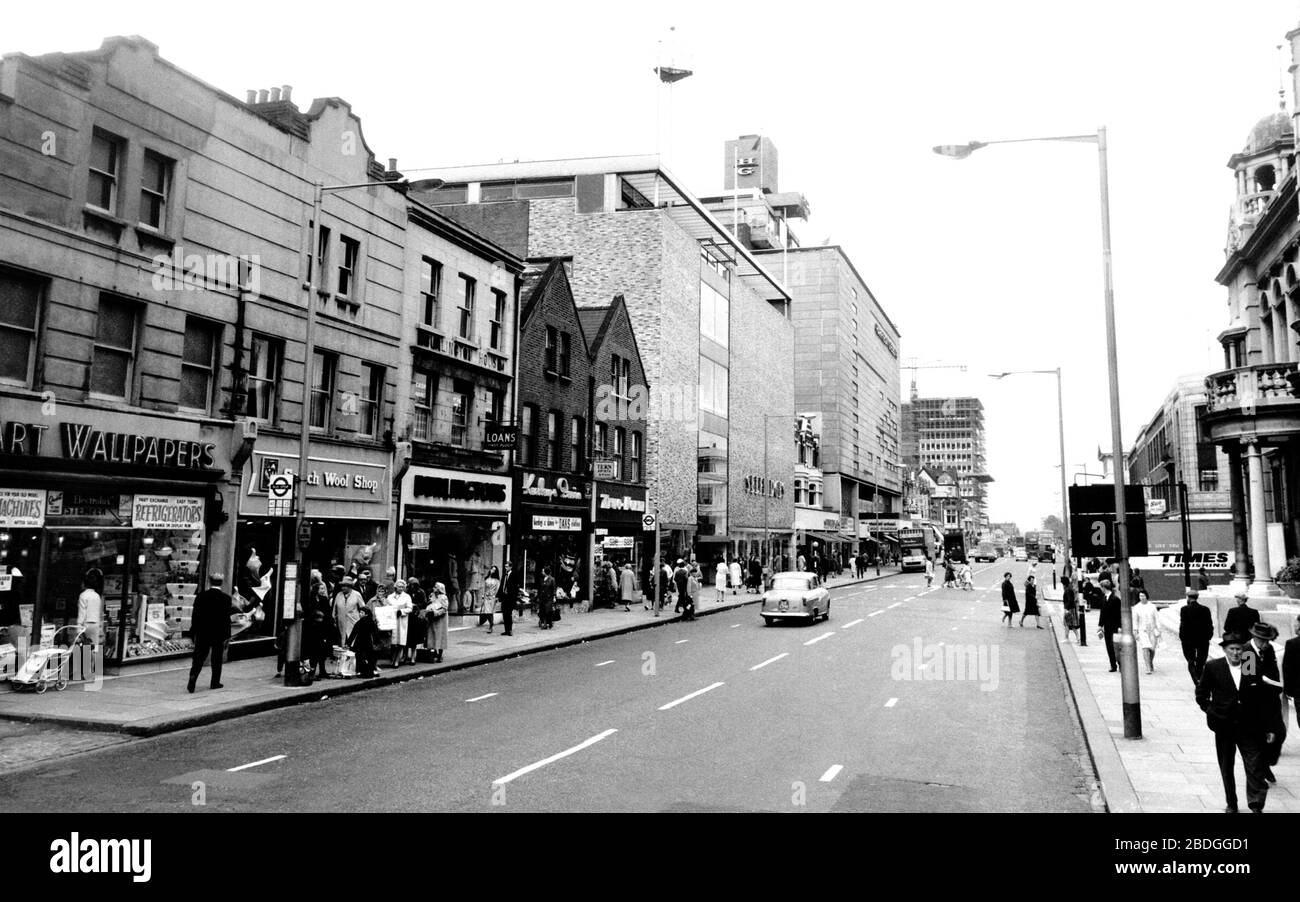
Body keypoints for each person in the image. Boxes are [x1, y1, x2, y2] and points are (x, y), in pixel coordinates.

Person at [1196, 631, 1282, 813]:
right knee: (1226, 766)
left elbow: (1261, 697)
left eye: (1239, 649)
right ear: (1225, 650)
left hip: (1249, 725)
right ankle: (1231, 803)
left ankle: (1256, 803)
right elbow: (1201, 694)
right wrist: (1212, 711)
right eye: (1232, 649)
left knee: (1254, 764)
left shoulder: (1249, 665)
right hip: (1224, 724)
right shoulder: (1214, 666)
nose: (1236, 653)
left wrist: (1269, 726)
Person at [1245, 622, 1284, 783]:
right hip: (1254, 702)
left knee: (1279, 732)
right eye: (1263, 640)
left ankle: (1268, 762)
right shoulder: (1247, 651)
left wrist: (1274, 686)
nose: (1265, 643)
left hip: (1270, 699)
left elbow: (1274, 672)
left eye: (1268, 640)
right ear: (1255, 637)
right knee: (1259, 737)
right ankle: (1262, 767)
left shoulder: (1268, 650)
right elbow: (1249, 679)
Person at [188, 572, 232, 693]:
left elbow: (195, 616)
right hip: (218, 633)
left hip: (203, 632)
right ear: (221, 583)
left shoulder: (201, 596)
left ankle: (193, 676)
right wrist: (228, 636)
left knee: (199, 657)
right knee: (217, 659)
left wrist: (193, 631)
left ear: (209, 582)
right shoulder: (226, 599)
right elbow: (226, 619)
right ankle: (215, 682)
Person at [1180, 587, 1214, 685]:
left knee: (1191, 661)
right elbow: (1209, 625)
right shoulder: (1205, 609)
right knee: (1201, 661)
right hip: (1203, 639)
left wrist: (1182, 638)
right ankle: (1200, 678)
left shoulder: (1185, 609)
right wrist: (1209, 637)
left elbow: (1183, 625)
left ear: (1188, 598)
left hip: (1188, 640)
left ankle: (1196, 681)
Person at [332, 577, 364, 657]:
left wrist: (361, 618)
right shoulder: (338, 595)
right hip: (341, 622)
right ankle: (344, 662)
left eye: (346, 586)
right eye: (342, 586)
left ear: (350, 587)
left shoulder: (357, 594)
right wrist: (334, 619)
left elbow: (363, 608)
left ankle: (353, 661)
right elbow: (334, 609)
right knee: (343, 642)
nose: (343, 588)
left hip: (353, 622)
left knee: (353, 641)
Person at [348, 605, 380, 678]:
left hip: (362, 642)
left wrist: (349, 643)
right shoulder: (366, 622)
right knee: (367, 657)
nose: (360, 614)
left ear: (366, 614)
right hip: (364, 642)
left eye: (362, 613)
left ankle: (360, 671)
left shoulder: (361, 622)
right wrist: (376, 641)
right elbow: (375, 633)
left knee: (362, 656)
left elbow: (353, 633)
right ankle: (370, 670)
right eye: (360, 612)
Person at [388, 580, 414, 666]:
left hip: (402, 621)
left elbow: (410, 608)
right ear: (395, 587)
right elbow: (387, 607)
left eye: (402, 587)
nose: (401, 588)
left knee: (400, 641)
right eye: (399, 587)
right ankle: (392, 658)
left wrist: (402, 611)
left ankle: (397, 660)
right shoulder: (390, 597)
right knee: (393, 641)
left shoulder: (407, 597)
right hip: (392, 620)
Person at [1133, 590, 1160, 674]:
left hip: (1152, 630)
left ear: (1146, 596)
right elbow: (1135, 620)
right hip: (1142, 630)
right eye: (1140, 596)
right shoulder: (1137, 607)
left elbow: (1157, 618)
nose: (1142, 598)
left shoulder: (1152, 606)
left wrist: (1159, 629)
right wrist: (1135, 631)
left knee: (1152, 649)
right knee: (1145, 648)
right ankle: (1148, 667)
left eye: (1143, 596)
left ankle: (1150, 661)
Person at [1098, 580, 1122, 672]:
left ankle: (1120, 664)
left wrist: (1120, 627)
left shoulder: (1115, 599)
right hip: (1107, 627)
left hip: (1115, 627)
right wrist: (1100, 625)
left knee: (1115, 647)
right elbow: (1102, 613)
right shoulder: (1104, 598)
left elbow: (1119, 615)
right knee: (1109, 646)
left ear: (1104, 588)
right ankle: (1113, 665)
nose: (1101, 589)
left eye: (1101, 587)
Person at [77, 568, 104, 646]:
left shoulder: (83, 595)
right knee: (95, 648)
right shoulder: (97, 596)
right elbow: (99, 613)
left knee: (85, 649)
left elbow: (82, 613)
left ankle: (86, 658)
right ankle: (96, 658)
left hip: (86, 624)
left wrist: (79, 629)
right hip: (96, 624)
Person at [424, 582, 450, 662]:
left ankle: (440, 655)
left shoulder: (443, 597)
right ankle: (433, 653)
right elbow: (429, 604)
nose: (433, 588)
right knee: (432, 636)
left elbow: (444, 608)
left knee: (440, 636)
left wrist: (436, 612)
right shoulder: (432, 595)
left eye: (435, 587)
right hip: (432, 619)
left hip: (440, 620)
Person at [500, 561, 521, 635]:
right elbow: (502, 586)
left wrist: (514, 598)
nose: (506, 568)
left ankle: (510, 630)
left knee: (509, 614)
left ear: (510, 567)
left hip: (510, 598)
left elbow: (516, 588)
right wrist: (499, 596)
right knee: (504, 614)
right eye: (505, 566)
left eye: (507, 566)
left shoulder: (514, 575)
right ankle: (506, 630)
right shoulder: (504, 575)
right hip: (504, 597)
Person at [1061, 576, 1081, 643]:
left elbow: (1070, 600)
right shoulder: (1069, 588)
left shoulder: (1068, 590)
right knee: (1071, 624)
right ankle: (1077, 638)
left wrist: (1066, 609)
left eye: (1062, 583)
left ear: (1064, 583)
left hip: (1069, 609)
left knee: (1067, 624)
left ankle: (1067, 638)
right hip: (1071, 608)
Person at [537, 565, 557, 629]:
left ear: (546, 572)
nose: (542, 572)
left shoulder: (552, 579)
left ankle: (547, 624)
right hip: (543, 597)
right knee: (543, 610)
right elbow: (541, 588)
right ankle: (547, 624)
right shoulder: (543, 578)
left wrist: (554, 597)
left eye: (543, 571)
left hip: (549, 597)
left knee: (547, 611)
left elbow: (554, 589)